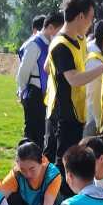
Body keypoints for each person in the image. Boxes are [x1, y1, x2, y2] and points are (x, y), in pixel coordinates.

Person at [44, 0, 103, 172]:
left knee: (71, 164)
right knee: (62, 166)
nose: (91, 24)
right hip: (63, 115)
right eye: (90, 18)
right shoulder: (61, 45)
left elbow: (47, 68)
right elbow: (74, 79)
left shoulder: (79, 40)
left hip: (76, 113)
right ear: (80, 17)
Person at [16, 11, 63, 146]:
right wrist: (23, 92)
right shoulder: (34, 44)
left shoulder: (51, 43)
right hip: (35, 93)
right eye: (58, 31)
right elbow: (23, 72)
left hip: (48, 94)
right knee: (33, 134)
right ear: (49, 28)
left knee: (44, 133)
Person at [0, 139, 63, 205]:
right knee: (10, 199)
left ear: (41, 161)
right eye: (23, 170)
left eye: (32, 169)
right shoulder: (16, 174)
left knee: (56, 199)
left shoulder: (52, 175)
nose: (28, 174)